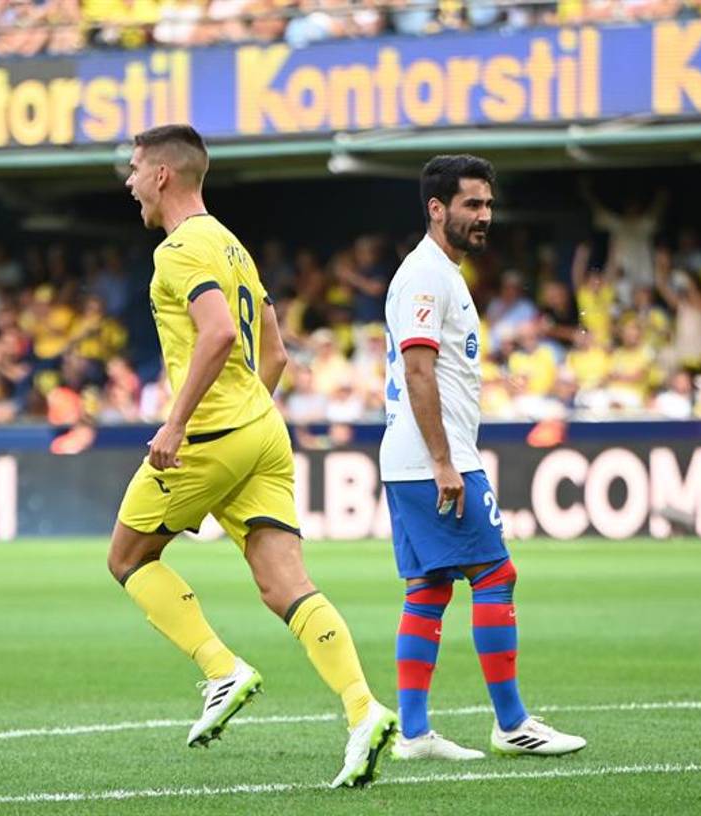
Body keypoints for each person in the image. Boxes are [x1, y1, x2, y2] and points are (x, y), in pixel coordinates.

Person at [108, 125, 398, 788]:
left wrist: (177, 426)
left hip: (211, 434)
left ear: (161, 176)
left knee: (127, 558)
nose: (128, 182)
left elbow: (214, 334)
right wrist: (251, 419)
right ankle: (362, 710)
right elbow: (275, 352)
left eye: (133, 169)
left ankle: (221, 669)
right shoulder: (232, 246)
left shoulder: (179, 250)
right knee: (286, 586)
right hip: (263, 430)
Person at [381, 155, 586, 760]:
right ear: (436, 209)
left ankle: (415, 734)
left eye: (489, 205)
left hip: (413, 457)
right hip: (432, 459)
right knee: (496, 575)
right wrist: (446, 462)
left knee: (429, 588)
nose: (484, 216)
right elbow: (418, 371)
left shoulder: (441, 273)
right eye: (472, 204)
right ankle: (513, 723)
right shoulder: (426, 275)